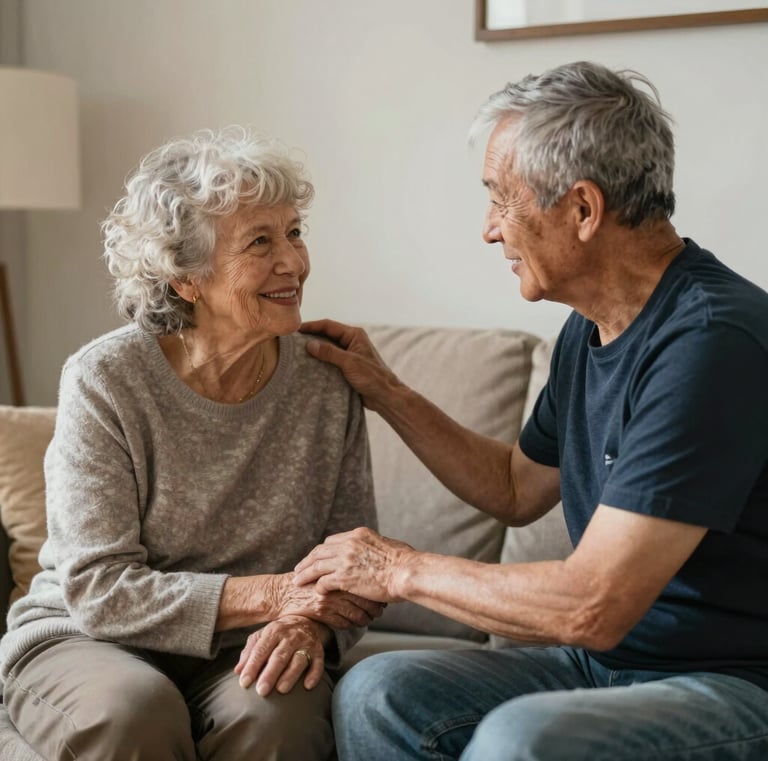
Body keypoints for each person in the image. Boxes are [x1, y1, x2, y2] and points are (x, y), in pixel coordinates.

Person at [293, 61, 768, 760]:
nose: (489, 230)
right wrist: (386, 391)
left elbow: (593, 604)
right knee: (381, 690)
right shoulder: (593, 322)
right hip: (605, 668)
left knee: (523, 739)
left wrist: (396, 568)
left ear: (582, 209)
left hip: (730, 681)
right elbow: (517, 488)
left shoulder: (711, 342)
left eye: (499, 199)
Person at [0, 126, 382, 761]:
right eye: (260, 242)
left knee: (277, 719)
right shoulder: (107, 379)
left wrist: (305, 620)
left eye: (293, 232)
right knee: (133, 712)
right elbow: (98, 587)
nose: (292, 261)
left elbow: (353, 564)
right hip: (92, 639)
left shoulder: (325, 380)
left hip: (247, 645)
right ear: (185, 279)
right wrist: (277, 594)